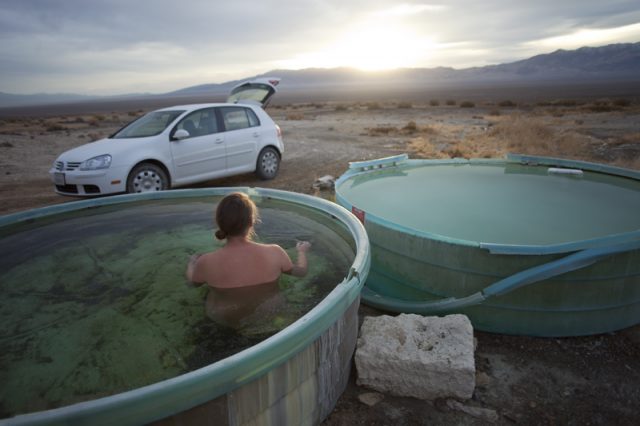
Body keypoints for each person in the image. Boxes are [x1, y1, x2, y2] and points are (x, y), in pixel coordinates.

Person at [185, 192, 311, 325]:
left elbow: (192, 283)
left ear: (220, 223)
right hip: (270, 314)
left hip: (224, 319)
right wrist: (302, 251)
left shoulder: (206, 262)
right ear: (251, 222)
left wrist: (192, 264)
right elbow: (301, 272)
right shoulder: (275, 252)